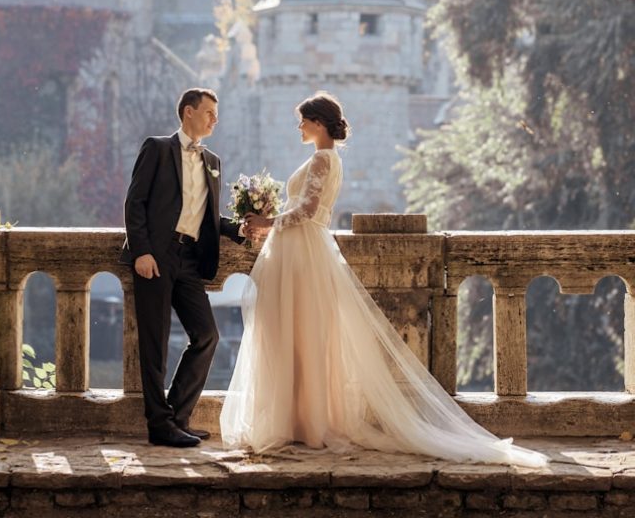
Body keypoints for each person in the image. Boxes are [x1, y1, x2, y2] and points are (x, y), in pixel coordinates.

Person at [220, 92, 546, 467]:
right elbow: (305, 210)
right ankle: (300, 421)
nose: (299, 127)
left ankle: (306, 424)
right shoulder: (327, 159)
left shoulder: (323, 160)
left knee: (302, 336)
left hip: (303, 254)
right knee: (298, 336)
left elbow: (308, 211)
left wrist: (266, 223)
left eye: (304, 121)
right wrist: (268, 226)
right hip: (302, 253)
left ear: (319, 123)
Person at [122, 88, 245, 447]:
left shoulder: (213, 161)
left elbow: (208, 216)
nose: (215, 119)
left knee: (207, 335)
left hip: (190, 260)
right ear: (188, 112)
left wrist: (239, 229)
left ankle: (176, 416)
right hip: (155, 258)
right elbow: (135, 203)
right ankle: (159, 427)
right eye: (209, 112)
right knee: (155, 343)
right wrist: (141, 252)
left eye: (216, 113)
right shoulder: (157, 148)